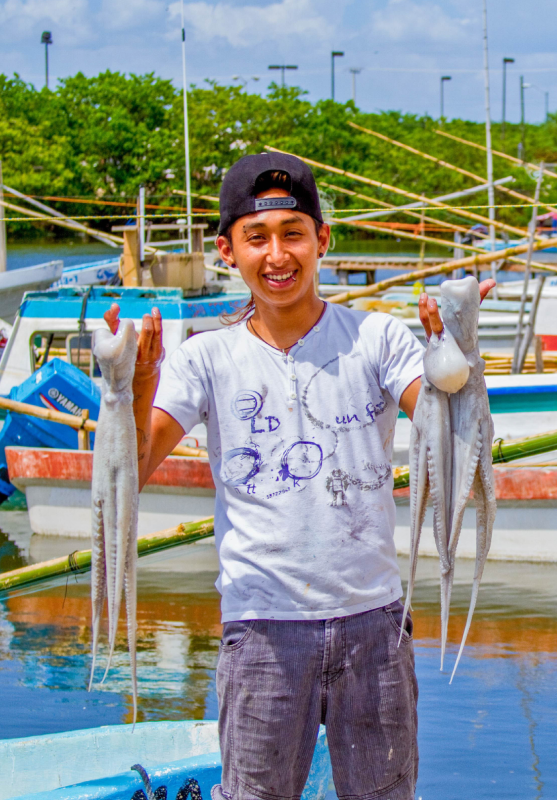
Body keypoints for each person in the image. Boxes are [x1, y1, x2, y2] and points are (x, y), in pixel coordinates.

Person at [104, 152, 495, 800]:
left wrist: (459, 353)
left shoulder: (377, 339)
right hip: (260, 631)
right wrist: (136, 383)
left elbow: (447, 424)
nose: (277, 254)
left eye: (293, 233)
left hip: (374, 626)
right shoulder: (206, 358)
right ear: (228, 250)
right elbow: (135, 468)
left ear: (323, 242)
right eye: (257, 238)